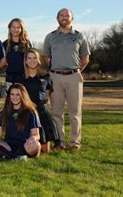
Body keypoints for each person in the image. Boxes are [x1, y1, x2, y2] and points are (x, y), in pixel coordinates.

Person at [43, 8, 90, 152]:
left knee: (75, 112)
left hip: (74, 76)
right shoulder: (50, 37)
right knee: (57, 112)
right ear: (57, 19)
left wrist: (74, 72)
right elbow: (46, 58)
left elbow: (85, 59)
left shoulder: (79, 36)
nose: (64, 17)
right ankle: (60, 142)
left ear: (72, 18)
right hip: (55, 76)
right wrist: (55, 71)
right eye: (61, 15)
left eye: (67, 15)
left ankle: (75, 142)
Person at [0, 83, 41, 160]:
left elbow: (36, 134)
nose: (15, 97)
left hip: (24, 145)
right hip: (8, 145)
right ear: (9, 96)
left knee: (36, 145)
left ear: (23, 96)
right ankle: (15, 156)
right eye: (12, 94)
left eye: (18, 95)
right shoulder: (4, 113)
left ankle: (2, 153)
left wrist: (33, 138)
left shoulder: (31, 112)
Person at [19, 48, 60, 152]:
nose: (32, 61)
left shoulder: (46, 77)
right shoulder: (21, 79)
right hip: (28, 111)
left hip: (42, 110)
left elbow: (47, 94)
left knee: (45, 150)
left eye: (34, 58)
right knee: (31, 147)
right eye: (29, 58)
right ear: (25, 61)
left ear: (38, 60)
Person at [3, 18, 32, 90]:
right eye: (13, 27)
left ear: (22, 29)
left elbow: (31, 60)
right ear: (9, 28)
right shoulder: (5, 44)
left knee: (23, 99)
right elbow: (1, 61)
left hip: (24, 77)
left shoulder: (27, 44)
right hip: (10, 77)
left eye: (18, 27)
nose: (15, 29)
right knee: (10, 98)